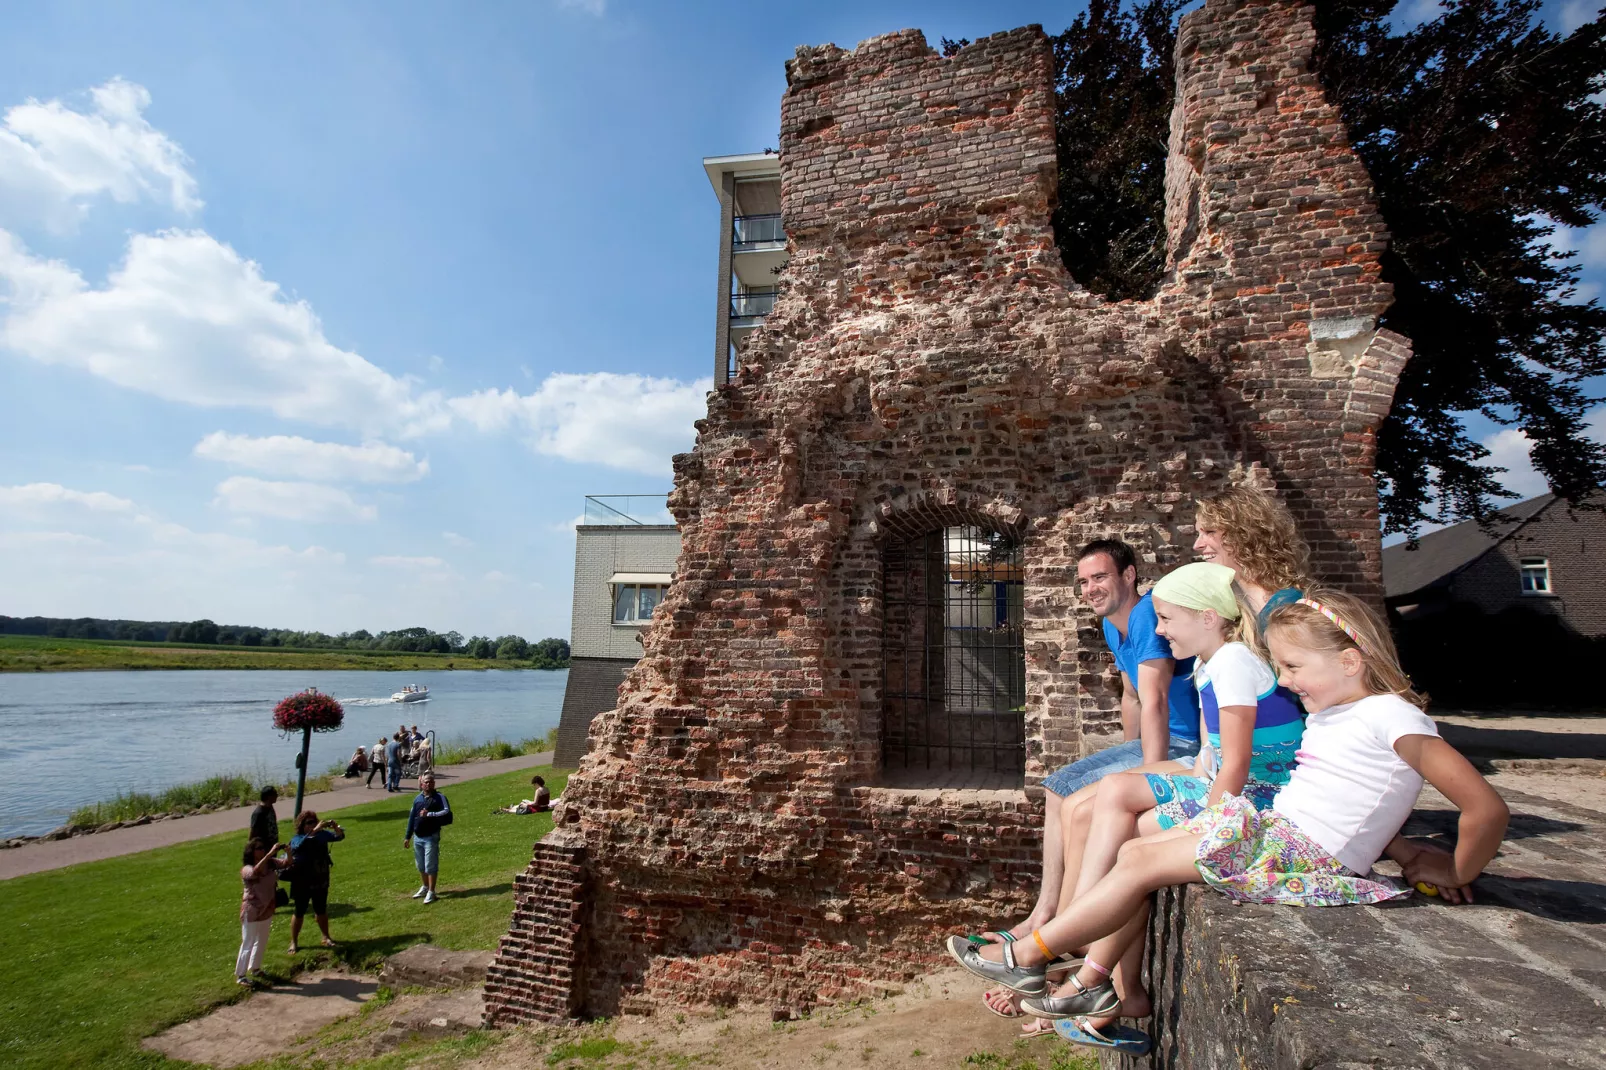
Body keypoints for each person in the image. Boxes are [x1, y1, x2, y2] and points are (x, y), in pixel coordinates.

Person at [948, 588, 1509, 1055]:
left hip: (1299, 853)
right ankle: (1085, 982)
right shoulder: (1337, 712)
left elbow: (1485, 807)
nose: (1284, 683)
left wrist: (1458, 866)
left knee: (1140, 859)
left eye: (1292, 667)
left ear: (1350, 661)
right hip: (1278, 836)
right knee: (1133, 850)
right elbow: (1359, 804)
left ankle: (1031, 958)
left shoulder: (1392, 716)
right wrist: (1407, 851)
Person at [977, 540, 1201, 1020]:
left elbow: (1157, 701)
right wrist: (1127, 752)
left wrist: (1147, 770)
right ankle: (1045, 914)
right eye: (1082, 581)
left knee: (1080, 802)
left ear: (1129, 576)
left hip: (1183, 747)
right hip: (1151, 744)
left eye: (1098, 577)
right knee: (1059, 786)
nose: (1089, 588)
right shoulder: (1110, 623)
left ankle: (1056, 937)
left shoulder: (1144, 617)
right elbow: (1132, 699)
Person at [1193, 487, 1312, 644]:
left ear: (1244, 534)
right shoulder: (1228, 604)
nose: (1197, 545)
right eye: (1199, 534)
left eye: (1209, 532)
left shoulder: (1287, 608)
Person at [285, 810, 345, 953]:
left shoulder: (321, 836)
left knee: (321, 909)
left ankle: (326, 937)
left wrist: (335, 827)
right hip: (302, 880)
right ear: (302, 825)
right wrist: (315, 830)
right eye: (309, 823)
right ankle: (294, 941)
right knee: (299, 911)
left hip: (320, 878)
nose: (312, 825)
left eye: (314, 822)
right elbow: (298, 846)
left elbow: (339, 837)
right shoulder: (297, 838)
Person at [236, 837, 287, 986]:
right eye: (258, 848)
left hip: (267, 908)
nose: (262, 850)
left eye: (263, 848)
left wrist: (288, 852)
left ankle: (256, 968)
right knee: (248, 941)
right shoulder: (246, 868)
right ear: (251, 852)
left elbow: (287, 863)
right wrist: (270, 854)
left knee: (262, 940)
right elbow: (255, 872)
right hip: (251, 910)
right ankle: (241, 975)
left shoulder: (270, 864)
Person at [404, 772, 452, 904]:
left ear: (434, 784)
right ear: (421, 784)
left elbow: (446, 811)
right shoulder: (418, 799)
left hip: (431, 836)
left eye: (431, 782)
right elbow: (412, 818)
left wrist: (430, 814)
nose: (428, 784)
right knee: (420, 865)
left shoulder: (439, 797)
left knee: (430, 864)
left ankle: (431, 891)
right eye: (426, 782)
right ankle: (425, 887)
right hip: (418, 837)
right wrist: (408, 836)